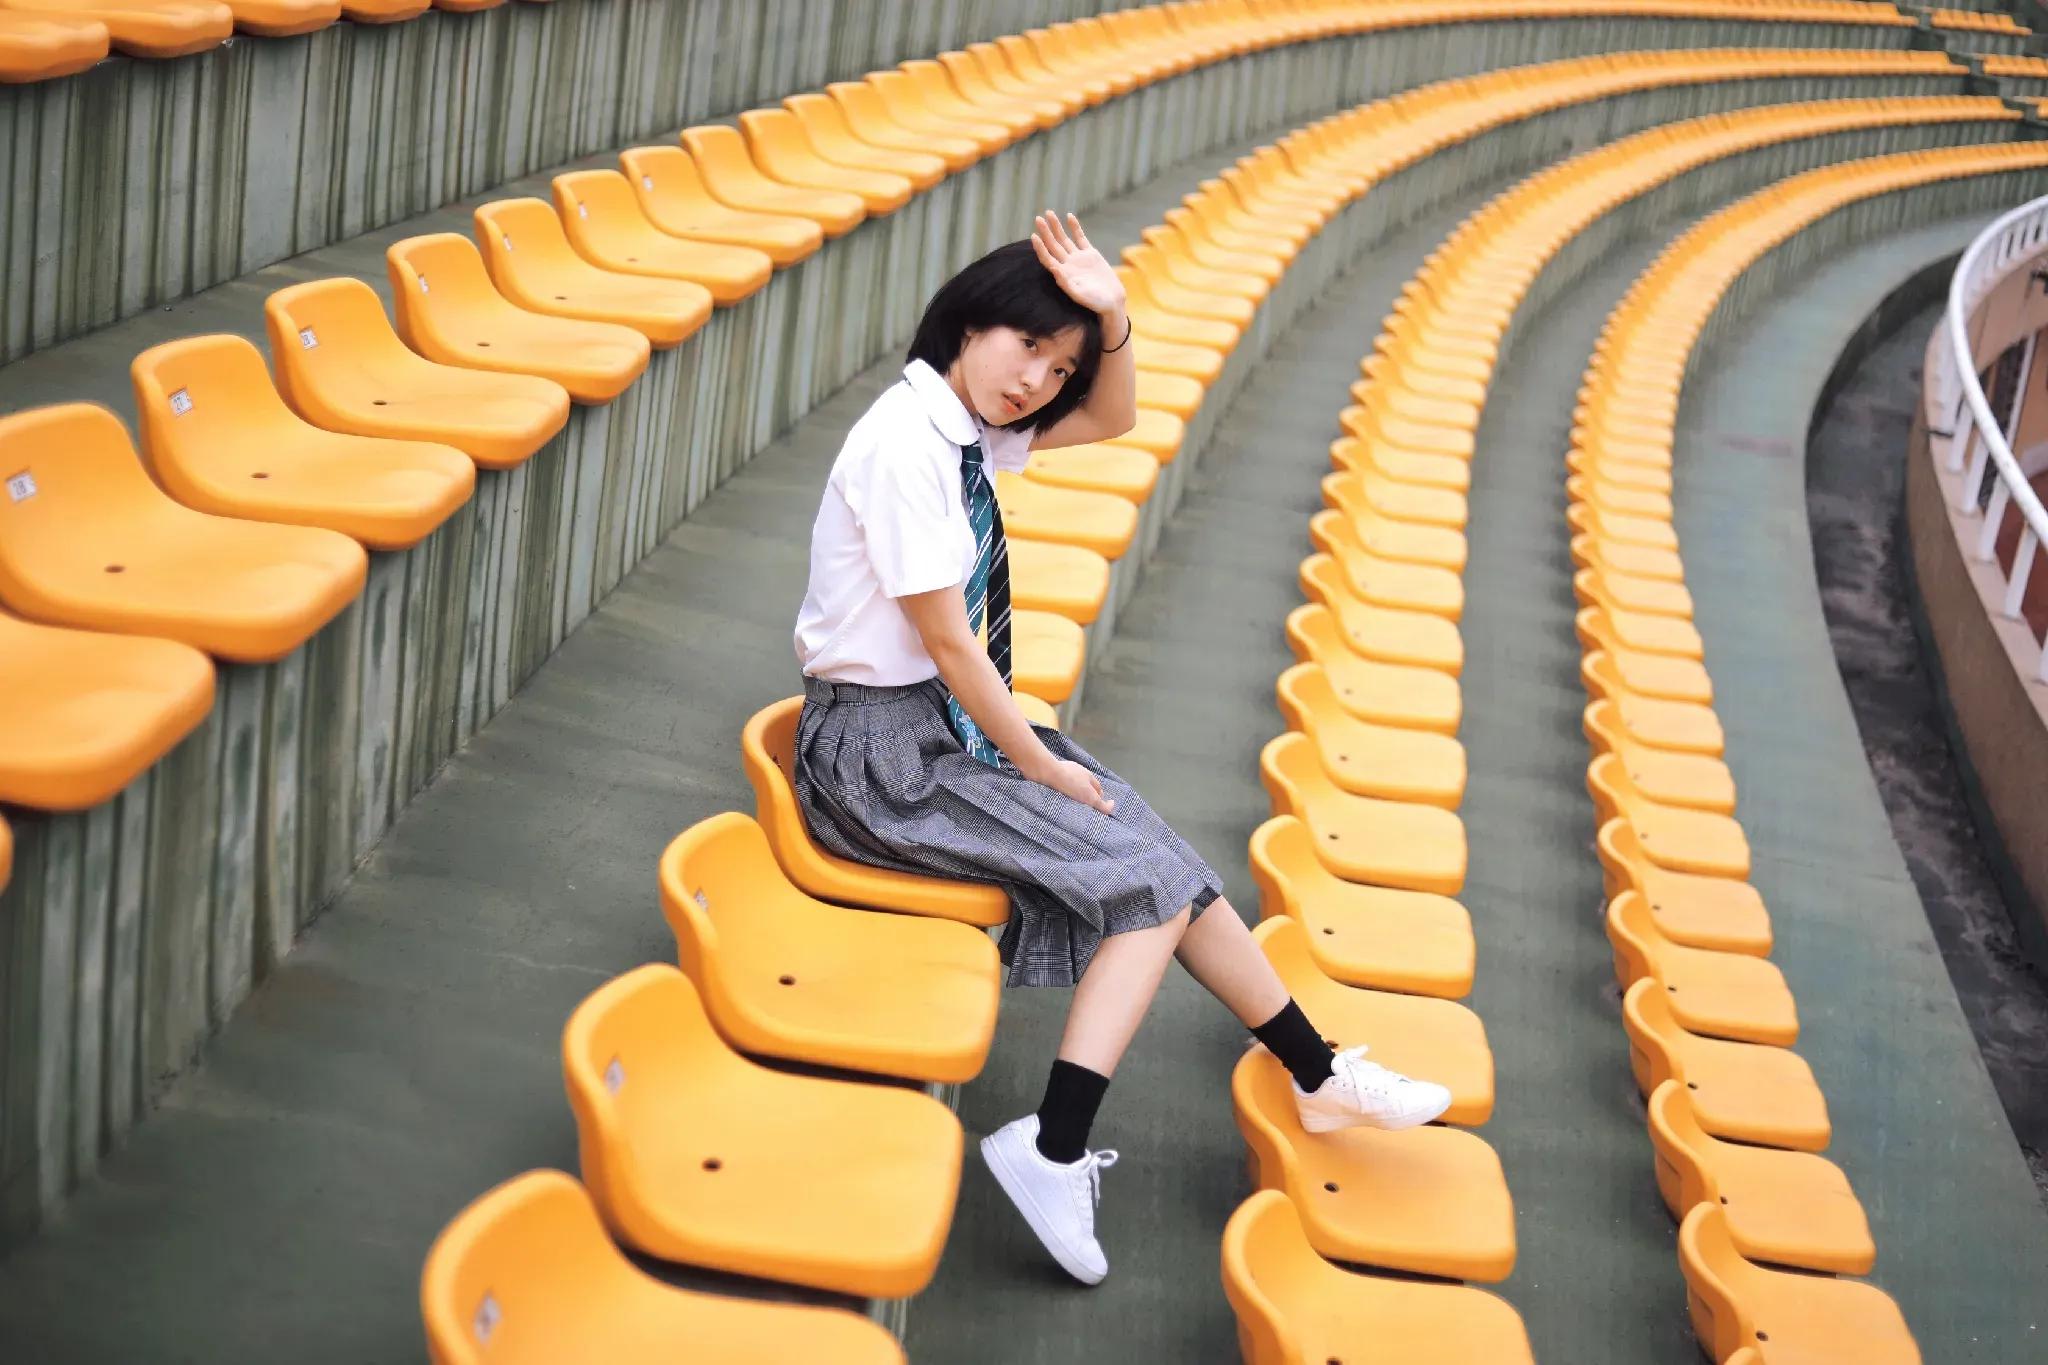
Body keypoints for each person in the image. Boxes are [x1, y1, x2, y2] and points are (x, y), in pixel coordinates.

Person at [791, 211, 1451, 1287]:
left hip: (930, 728)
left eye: (1057, 367)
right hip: (880, 762)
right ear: (967, 324)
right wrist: (1041, 764)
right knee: (1142, 887)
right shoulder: (905, 447)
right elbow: (951, 646)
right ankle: (1051, 1148)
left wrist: (1112, 314)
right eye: (1026, 348)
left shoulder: (959, 430)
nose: (1037, 383)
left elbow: (1113, 415)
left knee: (1163, 860)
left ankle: (1315, 1071)